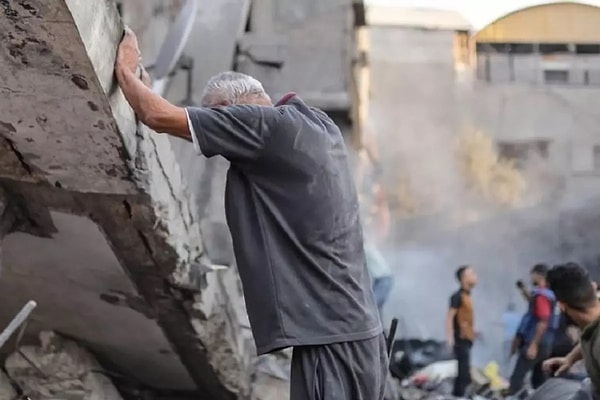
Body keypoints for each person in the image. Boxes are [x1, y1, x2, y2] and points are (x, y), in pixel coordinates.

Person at [115, 28, 387, 400]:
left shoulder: (263, 127)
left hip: (331, 338)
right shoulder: (314, 125)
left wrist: (126, 70)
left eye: (220, 123)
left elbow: (156, 116)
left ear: (234, 110)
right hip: (359, 334)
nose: (222, 143)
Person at [543, 263, 600, 398]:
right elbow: (590, 336)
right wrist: (569, 359)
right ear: (593, 287)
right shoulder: (593, 326)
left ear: (561, 306)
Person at [508, 264, 558, 394]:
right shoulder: (548, 294)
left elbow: (543, 320)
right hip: (546, 342)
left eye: (532, 274)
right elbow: (532, 301)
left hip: (536, 342)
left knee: (516, 379)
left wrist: (533, 345)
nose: (531, 277)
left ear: (538, 275)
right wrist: (523, 290)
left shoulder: (541, 295)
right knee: (539, 380)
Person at [446, 265, 478, 398]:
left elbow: (464, 320)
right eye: (471, 274)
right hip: (460, 339)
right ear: (463, 278)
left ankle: (460, 395)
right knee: (463, 372)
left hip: (467, 339)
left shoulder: (467, 296)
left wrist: (474, 332)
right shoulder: (457, 296)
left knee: (465, 371)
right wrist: (450, 339)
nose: (475, 276)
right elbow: (449, 318)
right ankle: (458, 396)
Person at [364, 241, 393, 319]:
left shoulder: (365, 250)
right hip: (382, 279)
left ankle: (377, 329)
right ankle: (381, 329)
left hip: (383, 280)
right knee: (376, 308)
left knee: (373, 306)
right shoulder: (369, 247)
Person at [502, 302, 522, 376]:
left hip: (507, 339)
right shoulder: (518, 316)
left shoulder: (505, 315)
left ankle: (504, 374)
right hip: (516, 341)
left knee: (506, 359)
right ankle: (511, 375)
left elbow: (502, 324)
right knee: (515, 359)